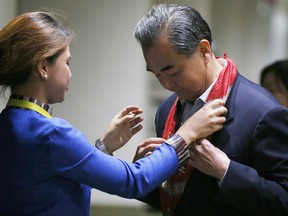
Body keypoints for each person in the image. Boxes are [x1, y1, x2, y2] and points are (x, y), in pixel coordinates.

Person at [0, 11, 228, 216]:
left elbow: (57, 183)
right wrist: (186, 134)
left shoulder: (8, 124)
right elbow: (133, 181)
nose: (70, 73)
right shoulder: (51, 134)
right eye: (67, 62)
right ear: (43, 67)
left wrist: (103, 148)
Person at [133, 3, 288, 216]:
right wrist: (146, 169)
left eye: (173, 72)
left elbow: (283, 201)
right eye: (157, 74)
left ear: (204, 51)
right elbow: (172, 199)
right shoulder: (166, 109)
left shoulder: (264, 112)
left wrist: (226, 171)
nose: (166, 85)